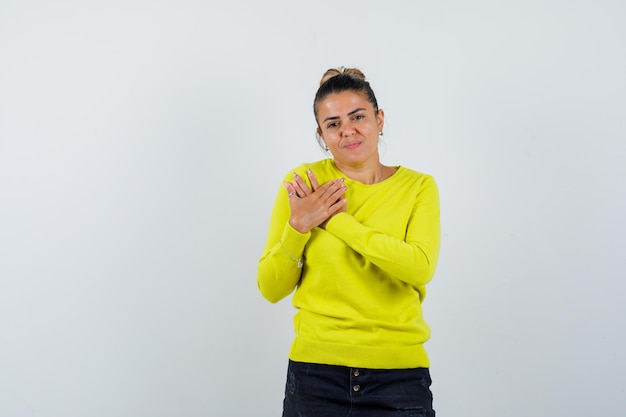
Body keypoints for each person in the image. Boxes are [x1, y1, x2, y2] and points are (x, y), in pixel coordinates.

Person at [257, 67, 441, 417]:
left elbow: (419, 266)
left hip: (398, 377)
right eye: (333, 124)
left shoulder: (418, 187)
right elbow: (270, 287)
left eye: (358, 117)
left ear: (379, 118)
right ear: (321, 135)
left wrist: (335, 221)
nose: (348, 131)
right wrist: (298, 226)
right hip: (315, 375)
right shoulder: (303, 183)